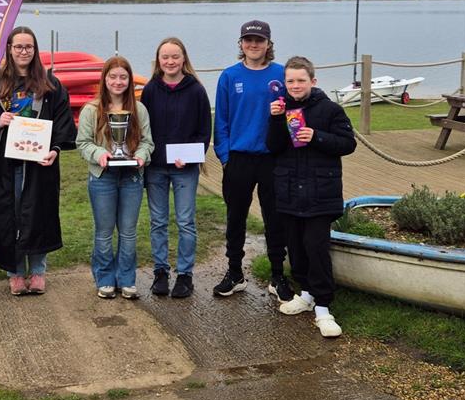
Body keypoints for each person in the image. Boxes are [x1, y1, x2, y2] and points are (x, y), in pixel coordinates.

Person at [0, 26, 76, 296]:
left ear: (35, 50)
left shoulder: (50, 84)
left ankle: (38, 270)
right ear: (9, 49)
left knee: (37, 214)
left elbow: (63, 120)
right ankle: (14, 272)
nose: (23, 52)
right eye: (18, 47)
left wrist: (56, 149)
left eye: (28, 47)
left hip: (39, 164)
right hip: (4, 165)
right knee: (8, 216)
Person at [267, 56, 356, 337]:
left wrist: (316, 136)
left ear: (313, 81)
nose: (295, 85)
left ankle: (324, 308)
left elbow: (347, 143)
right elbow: (273, 146)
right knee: (296, 246)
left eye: (301, 80)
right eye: (290, 81)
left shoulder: (331, 110)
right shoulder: (280, 110)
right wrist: (274, 119)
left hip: (320, 193)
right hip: (290, 191)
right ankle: (305, 295)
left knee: (316, 247)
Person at [212, 20, 293, 301]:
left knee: (275, 219)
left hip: (273, 159)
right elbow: (220, 120)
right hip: (239, 159)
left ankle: (277, 276)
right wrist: (224, 157)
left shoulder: (282, 74)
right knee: (236, 218)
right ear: (241, 43)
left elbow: (295, 112)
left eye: (259, 40)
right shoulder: (229, 76)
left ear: (269, 44)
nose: (253, 45)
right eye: (248, 40)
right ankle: (235, 272)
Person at [77, 56, 154, 299]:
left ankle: (126, 279)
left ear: (130, 80)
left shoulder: (139, 109)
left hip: (131, 178)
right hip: (102, 178)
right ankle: (105, 277)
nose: (118, 82)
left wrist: (141, 156)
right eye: (113, 76)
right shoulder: (91, 110)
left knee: (129, 232)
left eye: (123, 77)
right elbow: (82, 143)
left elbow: (147, 142)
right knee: (104, 231)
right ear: (105, 79)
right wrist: (100, 154)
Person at [141, 38, 211, 298]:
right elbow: (143, 129)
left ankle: (185, 274)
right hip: (156, 168)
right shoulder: (150, 90)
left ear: (184, 59)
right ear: (158, 60)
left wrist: (191, 156)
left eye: (175, 56)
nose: (170, 61)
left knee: (185, 221)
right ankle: (160, 271)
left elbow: (204, 130)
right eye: (165, 57)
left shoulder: (196, 91)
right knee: (158, 222)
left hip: (185, 168)